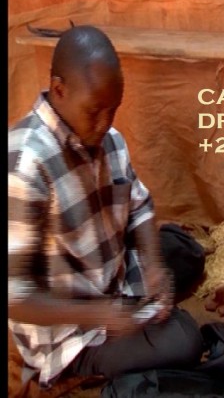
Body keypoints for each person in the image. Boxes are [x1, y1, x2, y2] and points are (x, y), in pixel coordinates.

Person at [8, 25, 204, 389]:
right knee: (185, 339)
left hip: (110, 275)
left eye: (113, 110)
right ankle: (87, 363)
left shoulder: (109, 140)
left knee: (185, 252)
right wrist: (100, 313)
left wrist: (153, 267)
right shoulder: (24, 164)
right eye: (95, 111)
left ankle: (135, 308)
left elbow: (139, 206)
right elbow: (15, 296)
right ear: (59, 89)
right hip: (69, 325)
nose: (105, 124)